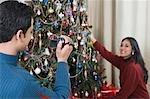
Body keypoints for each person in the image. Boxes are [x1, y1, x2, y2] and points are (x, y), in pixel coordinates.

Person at [0, 0, 73, 99]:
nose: (31, 37)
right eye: (31, 32)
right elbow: (62, 97)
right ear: (20, 35)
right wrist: (62, 60)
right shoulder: (23, 84)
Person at [90, 34, 150, 99]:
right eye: (121, 45)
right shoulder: (124, 61)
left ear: (133, 50)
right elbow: (107, 54)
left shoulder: (133, 67)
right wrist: (93, 40)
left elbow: (124, 94)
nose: (122, 48)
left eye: (126, 46)